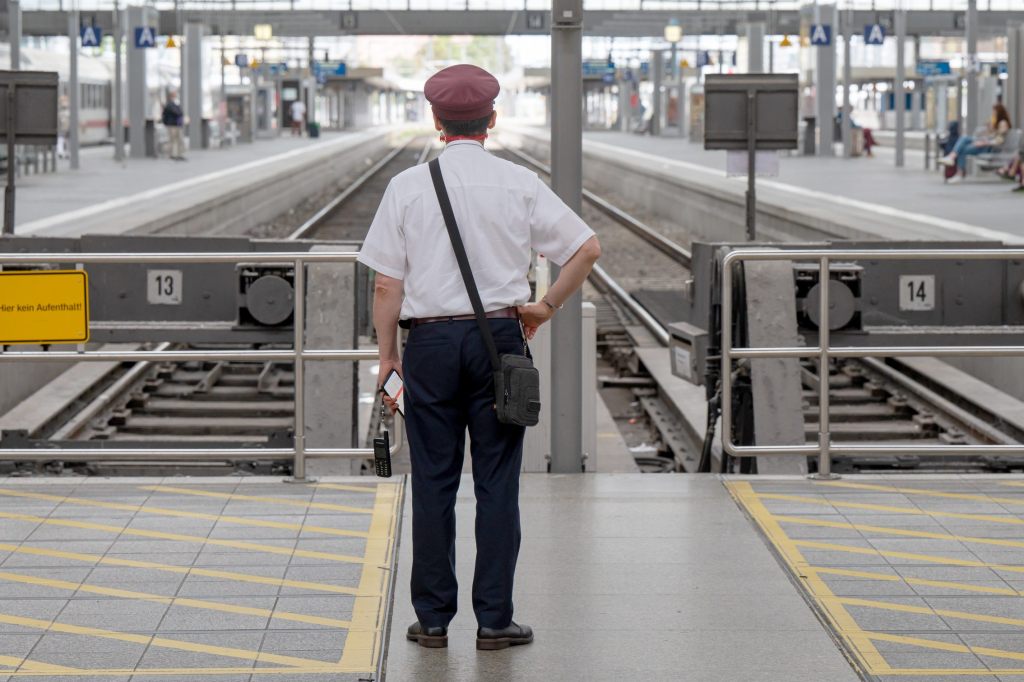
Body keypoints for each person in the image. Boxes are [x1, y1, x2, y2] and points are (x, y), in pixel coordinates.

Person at [357, 64, 601, 652]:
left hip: (431, 346)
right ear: (491, 120)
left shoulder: (407, 187)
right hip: (499, 342)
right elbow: (586, 248)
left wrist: (388, 355)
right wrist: (545, 307)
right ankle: (494, 620)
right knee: (497, 483)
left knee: (433, 481)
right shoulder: (518, 182)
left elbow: (387, 286)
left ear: (436, 121)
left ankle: (432, 620)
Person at [939, 104, 1012, 181]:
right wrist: (989, 129)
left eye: (994, 112)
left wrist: (984, 143)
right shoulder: (996, 122)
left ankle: (954, 162)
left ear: (999, 112)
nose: (993, 113)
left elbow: (999, 140)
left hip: (989, 148)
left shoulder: (1003, 123)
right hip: (985, 144)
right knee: (964, 139)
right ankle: (953, 160)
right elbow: (990, 135)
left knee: (963, 146)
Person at [161, 91, 185, 161]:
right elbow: (177, 112)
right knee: (172, 140)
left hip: (177, 124)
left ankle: (179, 154)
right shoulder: (170, 105)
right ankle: (172, 154)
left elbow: (180, 112)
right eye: (174, 96)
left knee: (179, 140)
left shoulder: (176, 104)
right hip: (172, 125)